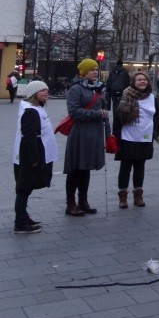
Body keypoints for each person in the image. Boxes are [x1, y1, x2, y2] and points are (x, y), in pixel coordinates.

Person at [63, 58, 108, 216]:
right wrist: (97, 114)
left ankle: (83, 200)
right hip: (80, 134)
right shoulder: (75, 89)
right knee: (75, 169)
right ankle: (70, 203)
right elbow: (74, 112)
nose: (95, 72)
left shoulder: (99, 88)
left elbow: (104, 112)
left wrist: (108, 134)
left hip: (94, 134)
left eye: (96, 69)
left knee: (86, 168)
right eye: (91, 70)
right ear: (83, 72)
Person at [13, 80, 56, 234]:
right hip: (29, 156)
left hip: (32, 154)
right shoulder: (31, 111)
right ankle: (20, 223)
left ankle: (24, 217)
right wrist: (34, 157)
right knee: (24, 189)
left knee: (26, 189)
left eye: (47, 90)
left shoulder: (36, 108)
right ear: (33, 94)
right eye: (42, 90)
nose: (46, 92)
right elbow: (29, 136)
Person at [113, 71, 158, 209]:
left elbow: (157, 116)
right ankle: (123, 196)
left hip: (145, 138)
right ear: (133, 82)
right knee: (125, 167)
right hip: (128, 137)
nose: (142, 82)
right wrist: (116, 138)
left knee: (140, 167)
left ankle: (138, 195)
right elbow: (118, 120)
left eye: (144, 79)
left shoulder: (152, 97)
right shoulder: (127, 96)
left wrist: (158, 132)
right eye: (139, 80)